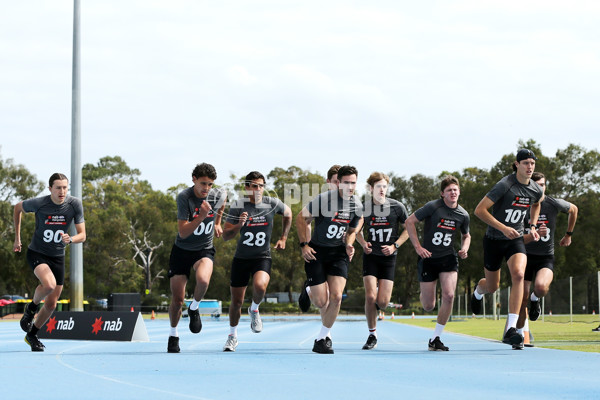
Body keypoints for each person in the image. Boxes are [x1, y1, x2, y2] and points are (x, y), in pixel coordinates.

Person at [471, 149, 544, 349]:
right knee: (493, 286)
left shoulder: (535, 189)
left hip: (516, 239)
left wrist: (532, 225)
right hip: (494, 239)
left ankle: (511, 328)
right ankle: (478, 291)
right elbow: (479, 210)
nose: (530, 167)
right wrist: (503, 228)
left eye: (532, 163)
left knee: (519, 275)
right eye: (526, 163)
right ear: (517, 164)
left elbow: (537, 204)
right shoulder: (505, 185)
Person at [14, 173, 86, 352]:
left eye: (65, 187)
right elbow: (17, 208)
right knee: (49, 285)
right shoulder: (40, 203)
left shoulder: (74, 204)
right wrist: (17, 238)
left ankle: (32, 335)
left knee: (52, 304)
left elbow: (82, 235)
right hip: (37, 253)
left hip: (58, 256)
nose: (62, 191)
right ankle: (30, 309)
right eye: (58, 188)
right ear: (50, 189)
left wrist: (71, 239)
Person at [221, 171, 292, 352]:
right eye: (254, 186)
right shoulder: (239, 206)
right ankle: (232, 336)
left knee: (260, 287)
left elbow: (288, 214)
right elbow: (226, 236)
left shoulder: (271, 203)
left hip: (262, 256)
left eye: (261, 186)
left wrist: (283, 237)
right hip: (242, 258)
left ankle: (254, 309)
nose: (258, 189)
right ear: (247, 188)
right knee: (236, 301)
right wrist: (239, 225)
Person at [296, 165, 363, 354]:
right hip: (318, 252)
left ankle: (322, 338)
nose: (350, 186)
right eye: (346, 182)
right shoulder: (323, 200)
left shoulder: (357, 205)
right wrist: (304, 245)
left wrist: (350, 244)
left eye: (353, 183)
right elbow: (301, 219)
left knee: (336, 297)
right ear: (339, 182)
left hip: (338, 254)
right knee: (320, 301)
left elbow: (351, 230)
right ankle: (309, 289)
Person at [405, 175, 471, 351]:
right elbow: (409, 221)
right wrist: (417, 247)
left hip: (448, 258)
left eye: (455, 190)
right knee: (428, 305)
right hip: (428, 258)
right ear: (443, 194)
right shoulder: (433, 207)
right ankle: (424, 293)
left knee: (449, 296)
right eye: (449, 190)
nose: (453, 193)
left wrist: (465, 248)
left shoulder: (463, 214)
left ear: (459, 192)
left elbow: (466, 235)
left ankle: (436, 338)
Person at [167, 163, 226, 353]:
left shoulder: (216, 195)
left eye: (210, 184)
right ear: (193, 179)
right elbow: (183, 232)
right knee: (177, 299)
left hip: (204, 249)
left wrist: (217, 223)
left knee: (203, 280)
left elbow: (223, 201)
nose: (206, 189)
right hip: (182, 250)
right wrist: (200, 217)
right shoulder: (184, 198)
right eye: (203, 184)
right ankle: (173, 335)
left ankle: (194, 307)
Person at [516, 172, 578, 333]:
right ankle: (519, 334)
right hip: (525, 256)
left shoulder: (553, 203)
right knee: (521, 299)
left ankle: (535, 299)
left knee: (541, 287)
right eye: (536, 185)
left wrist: (568, 235)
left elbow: (574, 210)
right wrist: (533, 235)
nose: (540, 188)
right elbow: (515, 241)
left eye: (542, 185)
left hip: (545, 257)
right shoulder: (522, 206)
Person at [355, 172, 409, 350]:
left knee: (383, 303)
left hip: (388, 258)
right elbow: (355, 230)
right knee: (370, 297)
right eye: (378, 186)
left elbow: (408, 230)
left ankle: (378, 300)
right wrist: (363, 244)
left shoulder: (397, 207)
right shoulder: (364, 208)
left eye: (384, 186)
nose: (382, 190)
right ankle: (372, 334)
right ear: (371, 189)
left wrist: (395, 246)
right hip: (371, 257)